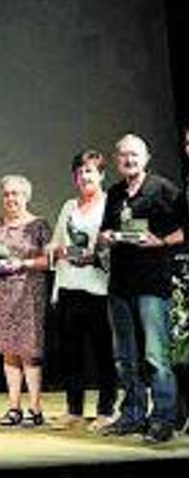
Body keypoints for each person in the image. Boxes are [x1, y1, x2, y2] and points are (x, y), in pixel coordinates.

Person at [98, 134, 186, 443]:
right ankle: (132, 415)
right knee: (125, 357)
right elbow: (104, 231)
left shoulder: (163, 189)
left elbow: (184, 229)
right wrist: (106, 237)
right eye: (123, 155)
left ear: (146, 158)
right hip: (119, 284)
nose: (129, 160)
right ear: (117, 160)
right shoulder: (114, 192)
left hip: (152, 284)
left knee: (156, 357)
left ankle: (163, 418)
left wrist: (161, 241)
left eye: (134, 155)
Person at [47, 150, 116, 432]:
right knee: (70, 352)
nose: (84, 176)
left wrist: (95, 254)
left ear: (101, 175)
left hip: (98, 288)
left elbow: (116, 244)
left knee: (102, 352)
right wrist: (56, 250)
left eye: (89, 171)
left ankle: (106, 410)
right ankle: (74, 410)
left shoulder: (111, 205)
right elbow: (55, 244)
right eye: (79, 172)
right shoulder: (68, 206)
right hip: (68, 286)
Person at [0, 175, 51, 427]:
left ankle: (35, 409)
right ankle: (14, 407)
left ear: (26, 196)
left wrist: (23, 263)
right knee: (8, 352)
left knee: (29, 352)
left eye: (16, 194)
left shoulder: (39, 225)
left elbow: (48, 260)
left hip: (28, 294)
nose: (11, 198)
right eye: (7, 194)